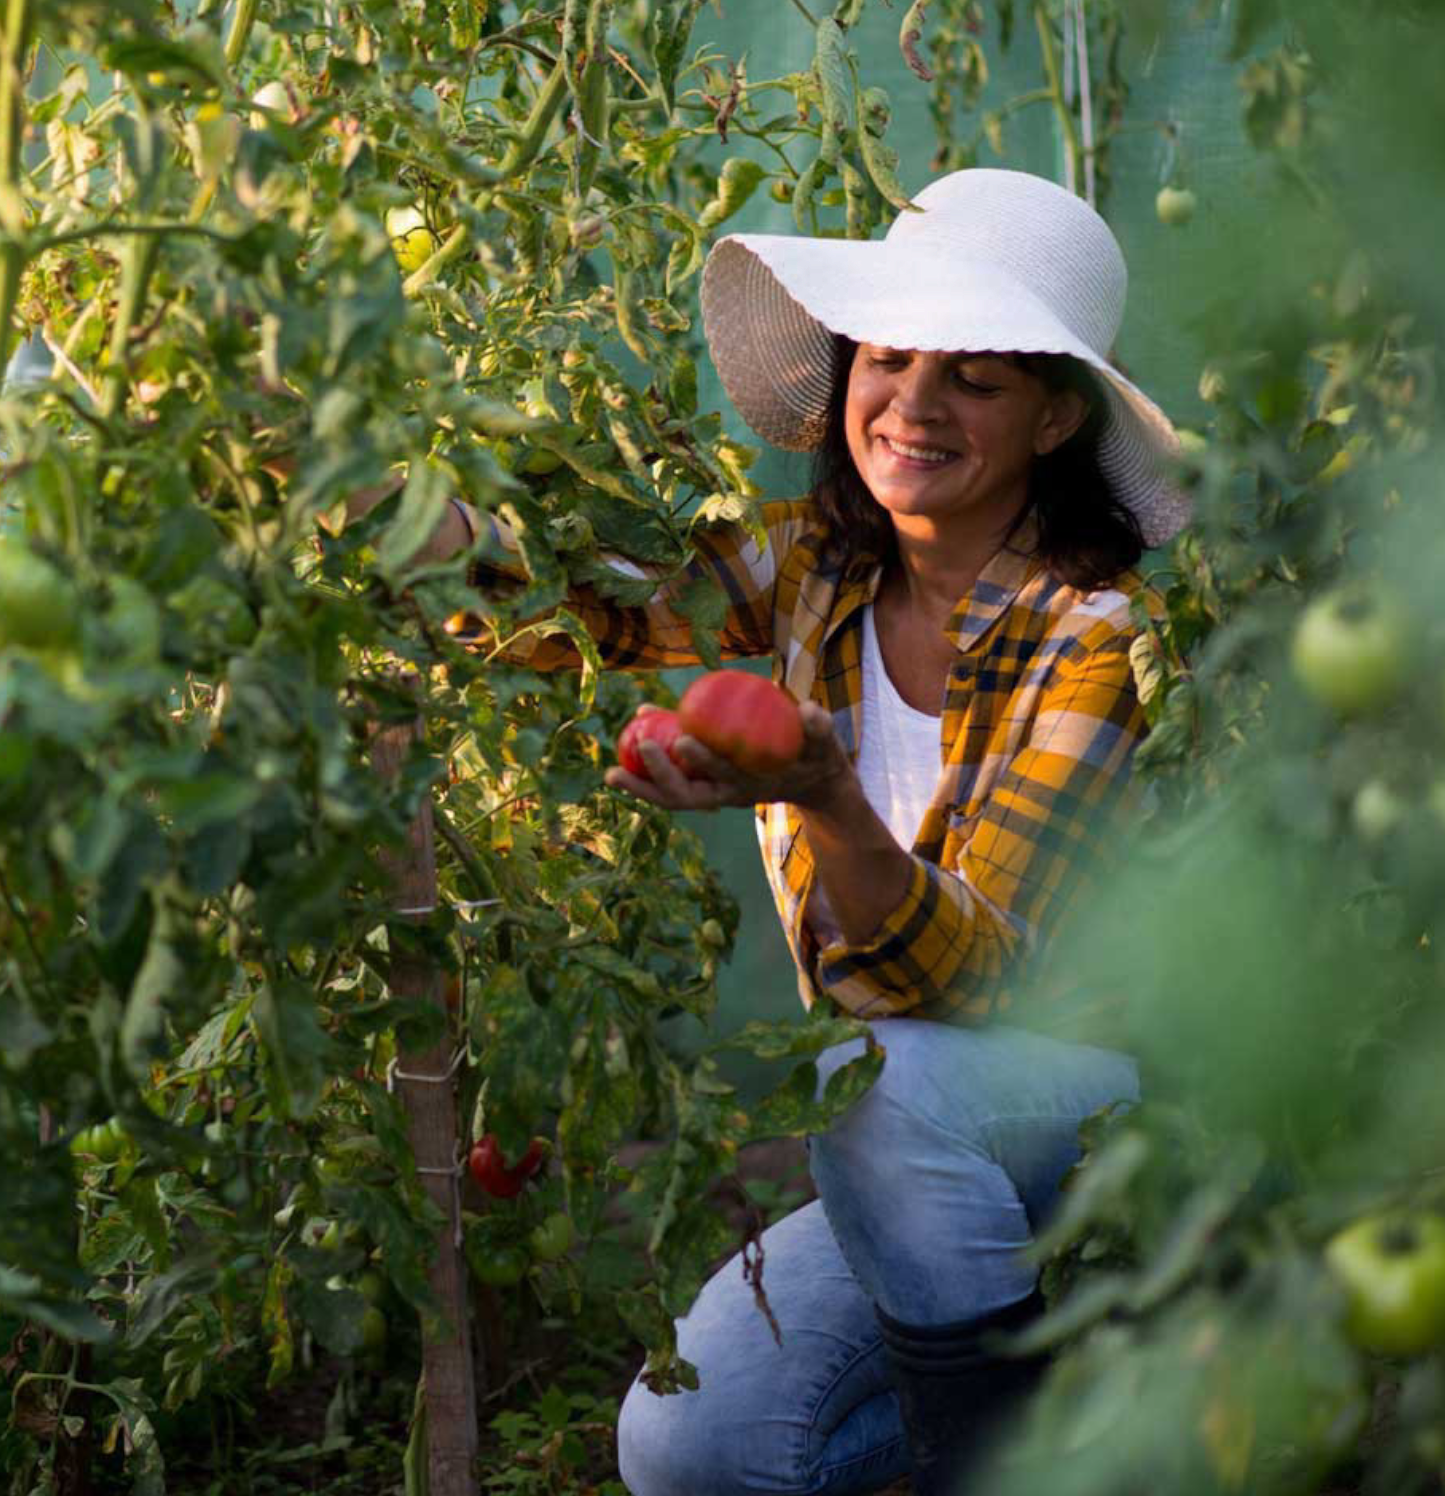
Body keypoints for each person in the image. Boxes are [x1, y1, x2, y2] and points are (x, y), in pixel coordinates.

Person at [424, 168, 1187, 1495]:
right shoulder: (810, 573)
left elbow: (970, 983)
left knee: (875, 1075)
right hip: (912, 1143)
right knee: (688, 1446)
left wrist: (826, 792)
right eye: (889, 358)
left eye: (976, 379)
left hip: (1090, 1129)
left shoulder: (1097, 636)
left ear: (1057, 419)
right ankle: (1080, 1381)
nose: (915, 404)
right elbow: (570, 611)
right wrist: (393, 512)